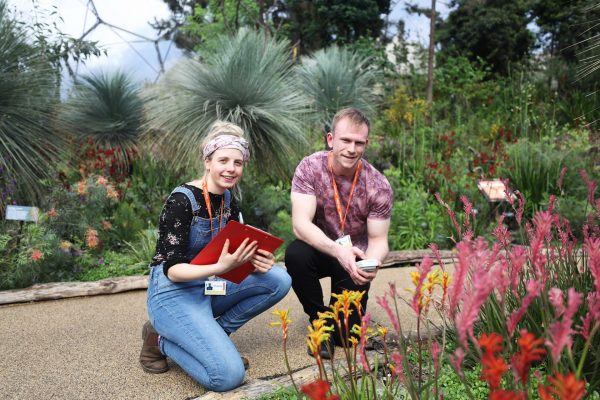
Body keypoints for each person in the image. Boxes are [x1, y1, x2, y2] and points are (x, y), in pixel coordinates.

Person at [139, 121, 292, 392]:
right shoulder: (181, 201)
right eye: (223, 160)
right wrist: (221, 265)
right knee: (228, 377)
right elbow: (171, 270)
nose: (231, 168)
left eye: (238, 162)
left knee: (278, 279)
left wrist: (257, 260)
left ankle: (216, 336)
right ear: (207, 161)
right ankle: (158, 340)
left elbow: (232, 250)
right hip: (173, 293)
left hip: (210, 285)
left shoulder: (229, 199)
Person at [285, 108, 393, 359]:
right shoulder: (310, 168)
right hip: (320, 247)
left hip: (354, 257)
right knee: (295, 254)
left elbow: (379, 240)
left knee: (348, 338)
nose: (352, 149)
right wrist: (336, 250)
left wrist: (372, 262)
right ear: (331, 139)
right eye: (345, 140)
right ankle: (319, 322)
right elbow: (300, 224)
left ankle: (338, 323)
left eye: (359, 143)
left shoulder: (378, 184)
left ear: (366, 144)